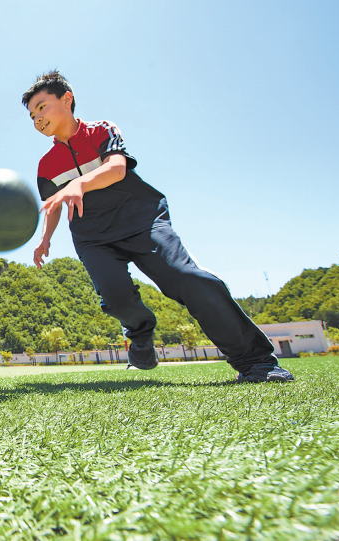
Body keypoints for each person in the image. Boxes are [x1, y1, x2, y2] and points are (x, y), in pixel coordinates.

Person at [22, 71, 293, 383]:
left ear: (67, 100)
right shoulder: (46, 165)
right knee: (115, 297)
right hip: (92, 236)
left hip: (142, 220)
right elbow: (53, 206)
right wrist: (45, 240)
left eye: (42, 107)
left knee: (188, 278)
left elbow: (117, 168)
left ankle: (257, 362)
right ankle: (140, 333)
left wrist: (79, 184)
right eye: (31, 115)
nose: (37, 118)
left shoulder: (101, 131)